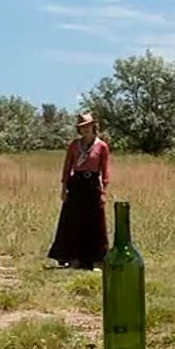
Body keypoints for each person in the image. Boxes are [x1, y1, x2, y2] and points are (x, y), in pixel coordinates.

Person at [47, 112, 112, 270]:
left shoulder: (101, 146)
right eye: (82, 127)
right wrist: (64, 188)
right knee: (73, 220)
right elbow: (67, 167)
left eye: (88, 126)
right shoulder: (74, 145)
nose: (85, 130)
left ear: (93, 127)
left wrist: (104, 191)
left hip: (92, 185)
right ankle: (73, 257)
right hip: (76, 184)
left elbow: (105, 170)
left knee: (95, 222)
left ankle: (96, 260)